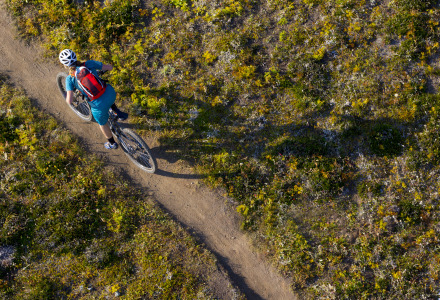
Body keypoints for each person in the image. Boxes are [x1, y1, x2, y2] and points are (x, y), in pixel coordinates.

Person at [58, 49, 128, 149]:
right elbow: (109, 67)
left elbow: (69, 101)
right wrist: (101, 70)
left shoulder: (70, 79)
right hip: (111, 93)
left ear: (65, 65)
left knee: (102, 124)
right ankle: (117, 112)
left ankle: (112, 143)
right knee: (105, 91)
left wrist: (68, 96)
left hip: (98, 105)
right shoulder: (89, 63)